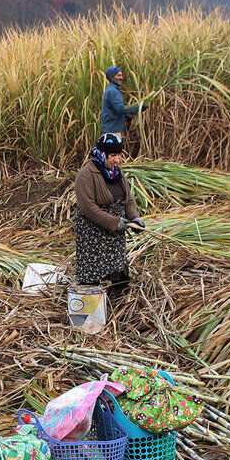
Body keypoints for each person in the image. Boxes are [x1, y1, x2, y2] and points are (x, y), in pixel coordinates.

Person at [73, 133, 145, 300]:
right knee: (92, 273)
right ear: (102, 153)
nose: (117, 159)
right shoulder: (86, 175)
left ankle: (118, 304)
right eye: (113, 155)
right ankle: (90, 306)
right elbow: (88, 208)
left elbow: (128, 200)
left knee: (119, 272)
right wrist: (114, 222)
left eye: (119, 155)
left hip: (115, 233)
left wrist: (135, 218)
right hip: (93, 234)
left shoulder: (117, 173)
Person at [100, 66, 143, 140]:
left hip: (112, 128)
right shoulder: (113, 91)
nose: (121, 78)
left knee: (113, 151)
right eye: (118, 75)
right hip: (112, 130)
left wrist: (126, 116)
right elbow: (119, 108)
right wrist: (138, 108)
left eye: (121, 75)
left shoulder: (112, 90)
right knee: (113, 151)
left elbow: (114, 110)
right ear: (112, 77)